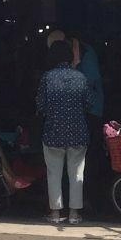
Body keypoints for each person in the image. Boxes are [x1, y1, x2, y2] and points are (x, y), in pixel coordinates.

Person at [36, 39, 92, 225]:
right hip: (78, 132)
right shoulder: (81, 78)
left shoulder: (47, 77)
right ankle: (74, 214)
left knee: (54, 173)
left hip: (53, 132)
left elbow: (41, 106)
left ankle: (55, 214)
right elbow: (89, 104)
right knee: (77, 173)